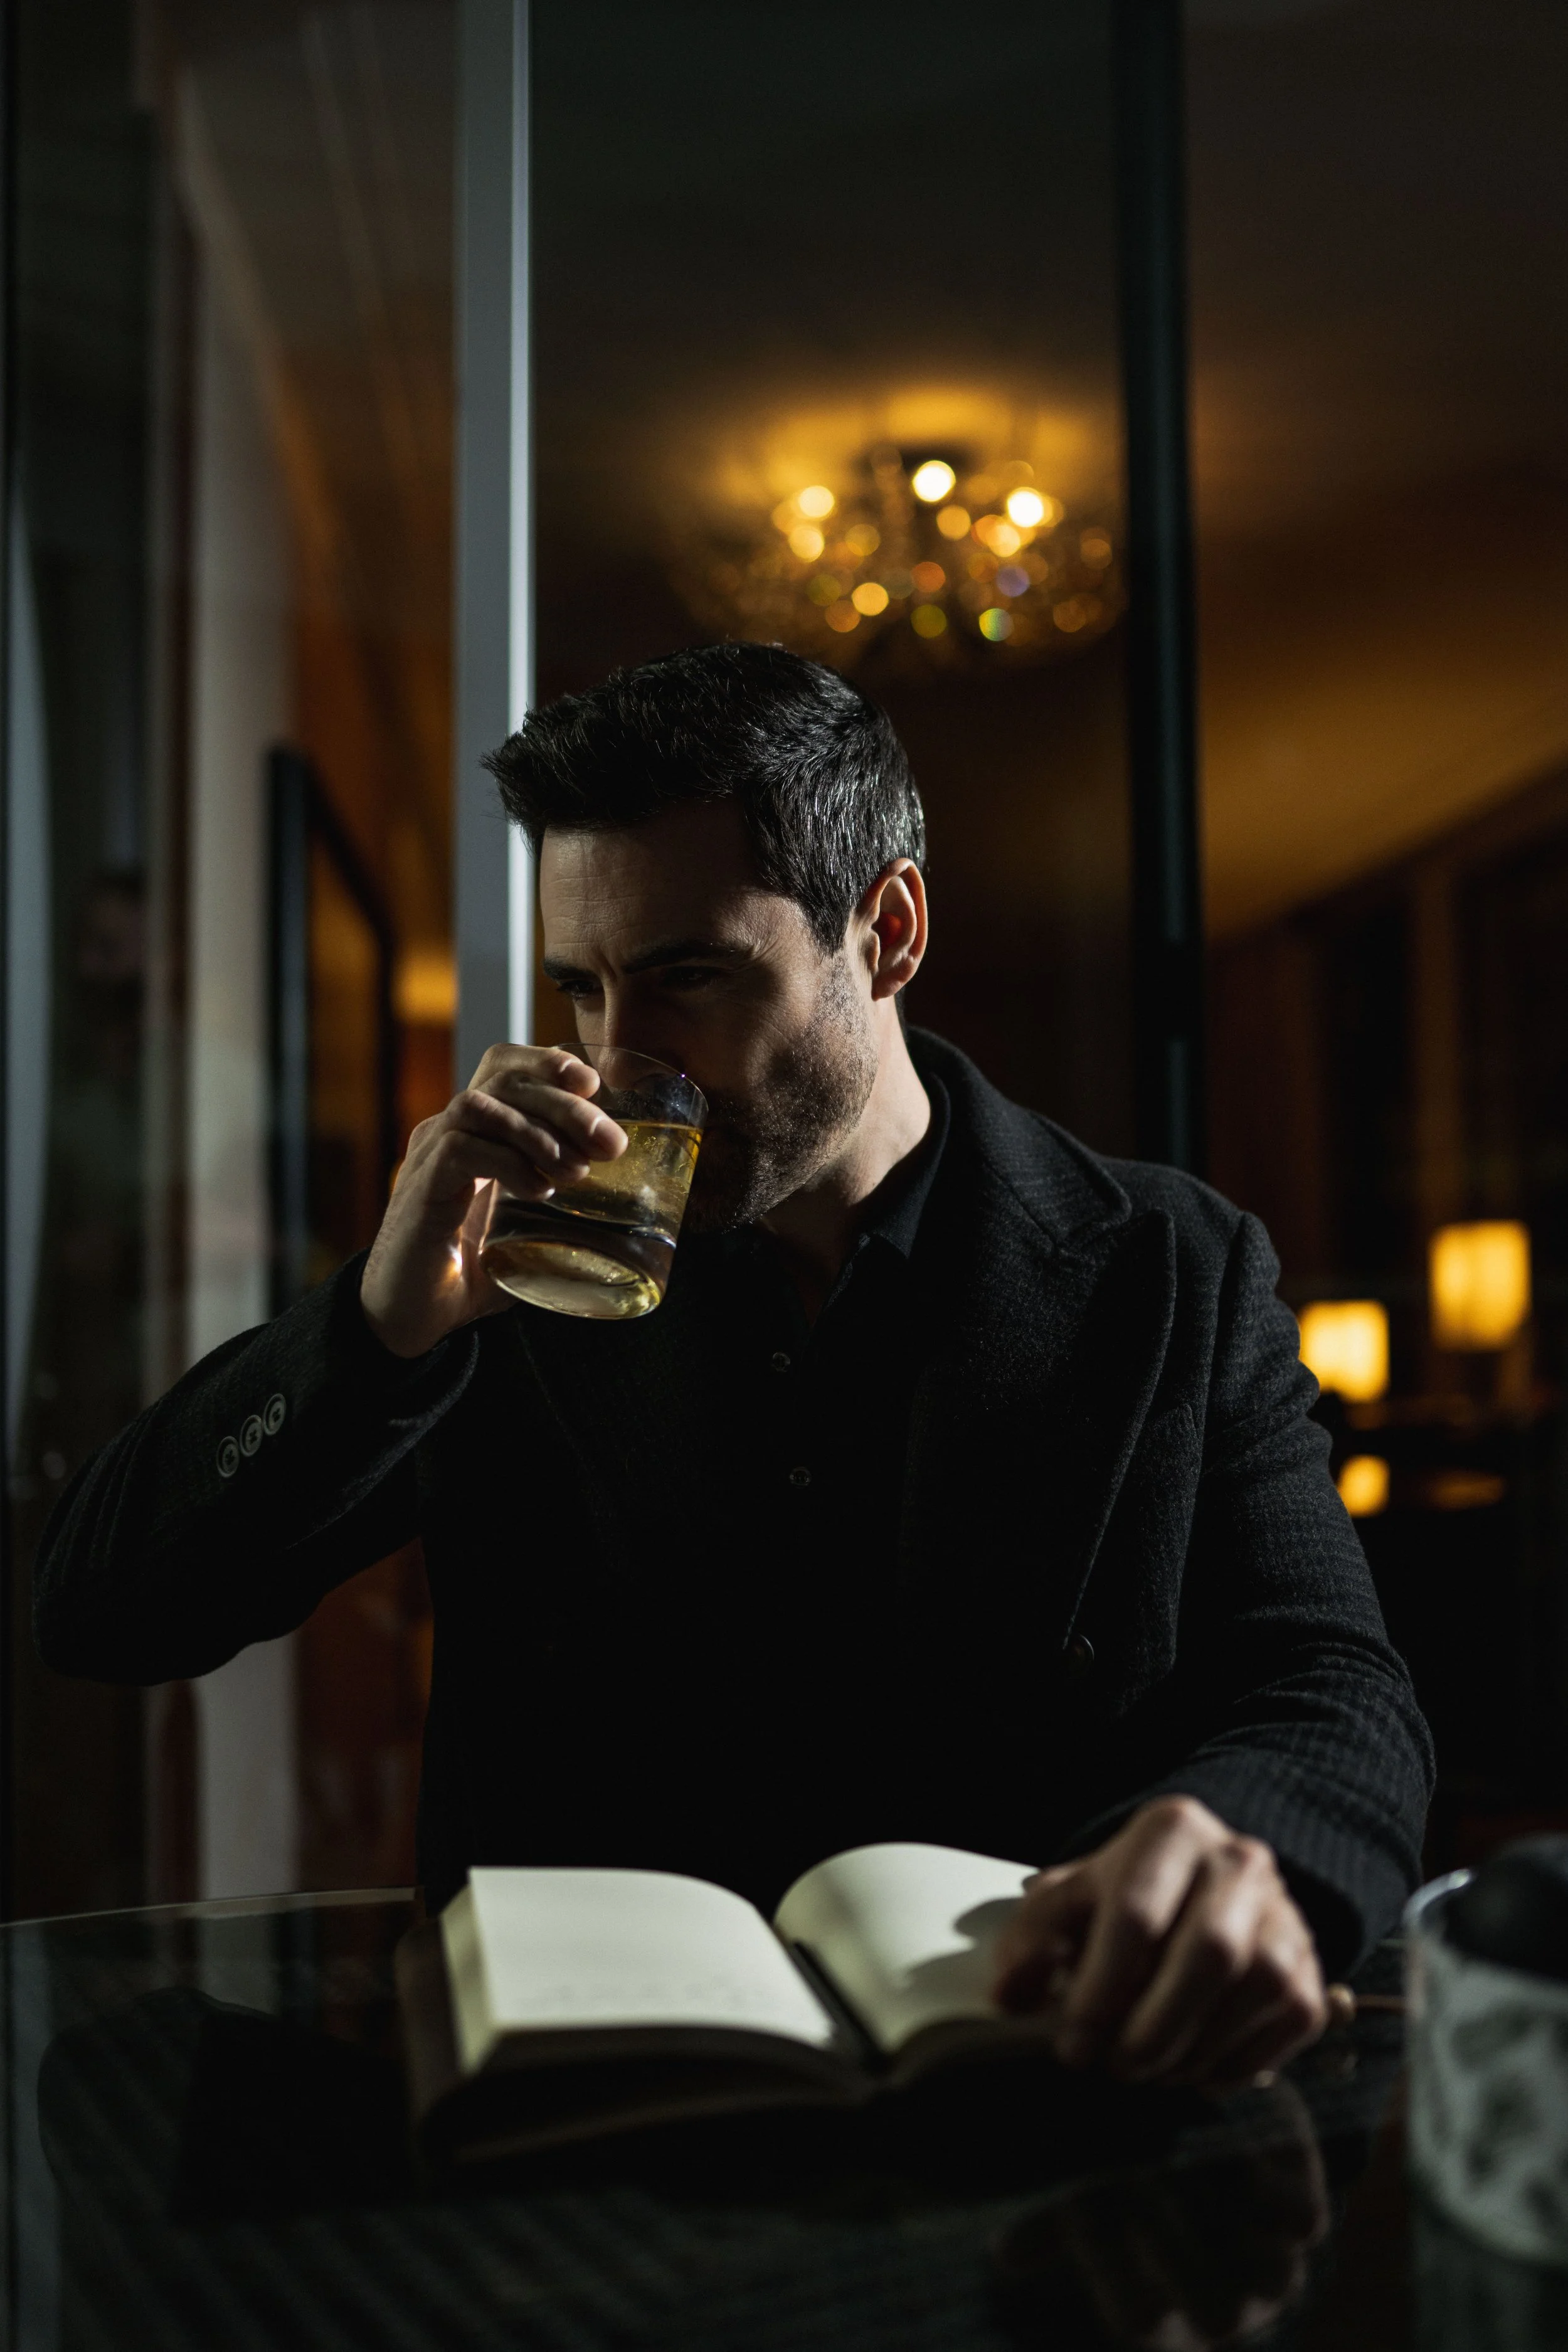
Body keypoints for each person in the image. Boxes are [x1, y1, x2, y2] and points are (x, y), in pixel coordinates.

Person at [35, 643, 1431, 2095]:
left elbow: (1330, 1683)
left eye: (686, 977)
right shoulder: (506, 1279)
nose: (619, 1058)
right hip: (573, 2162)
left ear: (884, 933)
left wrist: (1245, 1857)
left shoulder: (1170, 1270)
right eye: (581, 988)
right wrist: (372, 1336)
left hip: (1030, 2110)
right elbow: (100, 1614)